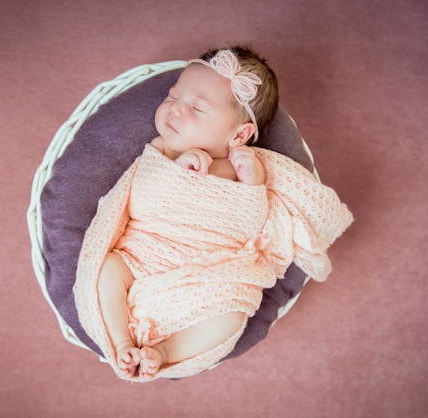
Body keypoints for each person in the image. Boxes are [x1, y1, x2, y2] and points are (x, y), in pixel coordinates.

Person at [74, 46, 353, 380]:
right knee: (106, 268)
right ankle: (122, 343)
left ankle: (164, 352)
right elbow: (141, 199)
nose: (174, 108)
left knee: (232, 316)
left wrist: (252, 181)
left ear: (239, 135)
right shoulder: (164, 150)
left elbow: (251, 225)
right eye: (173, 95)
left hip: (208, 280)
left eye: (196, 106)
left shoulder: (249, 169)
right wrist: (175, 173)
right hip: (142, 259)